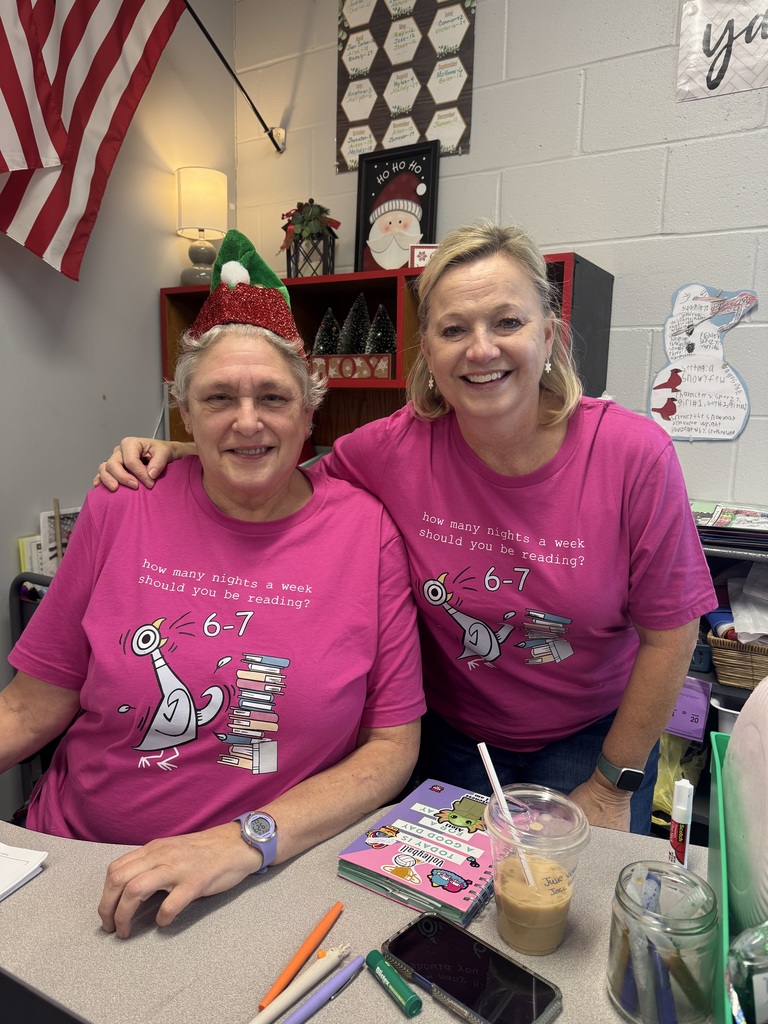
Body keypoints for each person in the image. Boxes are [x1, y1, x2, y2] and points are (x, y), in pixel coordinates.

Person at [95, 221, 717, 835]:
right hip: (444, 737)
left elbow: (671, 638)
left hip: (591, 740)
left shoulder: (633, 456)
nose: (481, 349)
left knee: (562, 912)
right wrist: (189, 451)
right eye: (453, 330)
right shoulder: (392, 449)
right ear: (429, 352)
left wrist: (612, 785)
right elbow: (281, 469)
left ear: (550, 335)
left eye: (508, 322)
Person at [2, 231, 424, 938]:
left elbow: (391, 747)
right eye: (219, 397)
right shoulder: (124, 501)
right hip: (76, 860)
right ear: (185, 414)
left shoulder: (366, 532)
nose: (248, 420)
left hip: (256, 885)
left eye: (273, 397)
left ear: (309, 412)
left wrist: (244, 839)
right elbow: (33, 706)